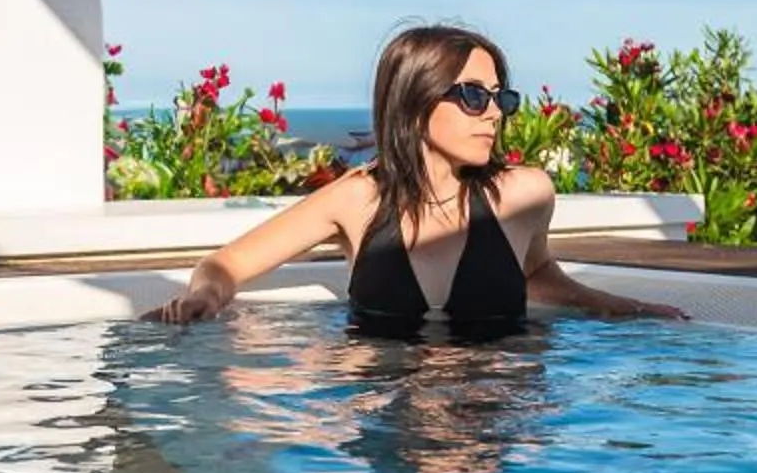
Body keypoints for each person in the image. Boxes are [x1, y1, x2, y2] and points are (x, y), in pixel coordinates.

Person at [144, 24, 690, 333]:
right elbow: (226, 263)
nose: (495, 113)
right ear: (415, 100)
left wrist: (616, 305)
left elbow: (535, 272)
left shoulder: (523, 194)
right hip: (386, 414)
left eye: (502, 97)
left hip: (500, 413)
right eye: (475, 97)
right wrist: (205, 298)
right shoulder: (358, 199)